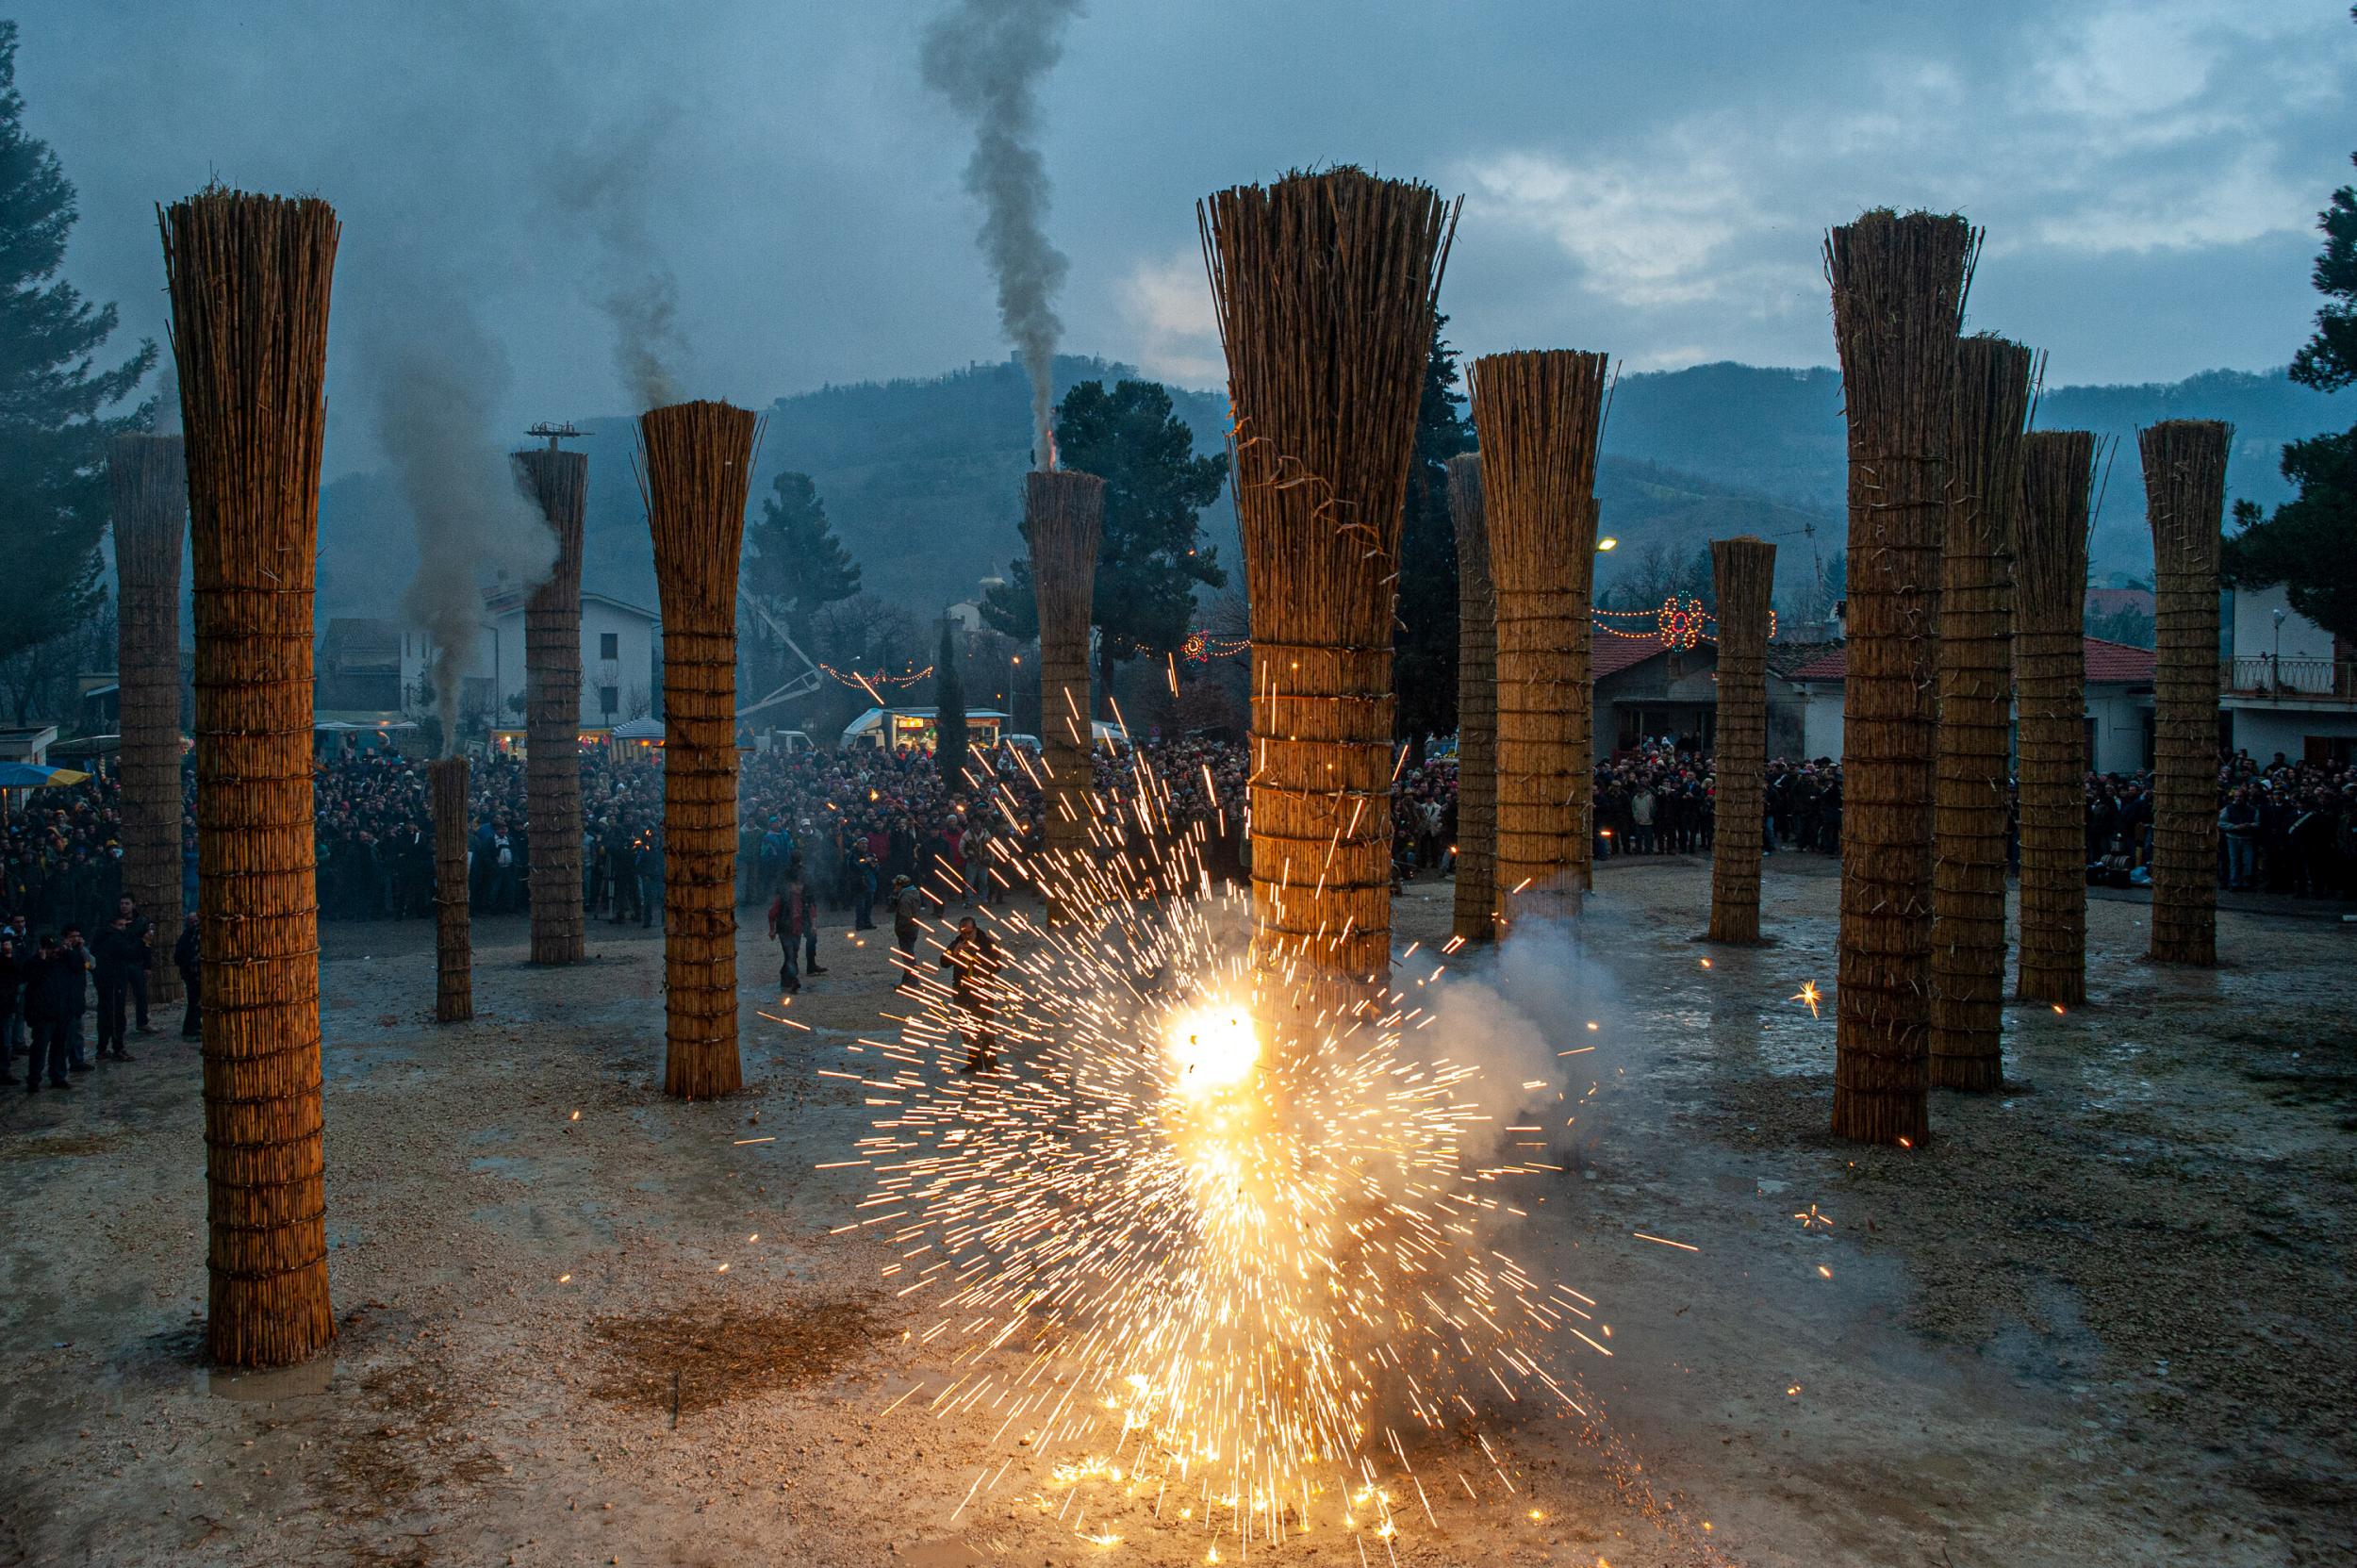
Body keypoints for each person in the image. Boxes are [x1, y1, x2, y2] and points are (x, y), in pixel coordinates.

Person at [938, 915, 1001, 1071]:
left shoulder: (987, 943)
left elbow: (997, 966)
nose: (966, 936)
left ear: (975, 930)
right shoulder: (957, 942)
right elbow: (943, 963)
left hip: (983, 992)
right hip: (963, 993)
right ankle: (975, 1063)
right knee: (968, 1030)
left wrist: (977, 955)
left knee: (986, 1031)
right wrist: (954, 953)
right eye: (963, 933)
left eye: (969, 933)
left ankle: (992, 1066)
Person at [91, 907, 141, 1061]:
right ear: (113, 925)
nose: (123, 928)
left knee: (106, 1014)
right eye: (121, 925)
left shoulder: (102, 938)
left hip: (106, 980)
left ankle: (103, 1047)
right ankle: (117, 1048)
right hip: (113, 981)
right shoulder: (115, 939)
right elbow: (130, 953)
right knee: (115, 1015)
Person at [113, 895, 156, 1034]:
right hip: (120, 962)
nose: (124, 906)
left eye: (127, 903)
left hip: (136, 962)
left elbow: (147, 945)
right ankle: (119, 1024)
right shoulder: (115, 921)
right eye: (122, 903)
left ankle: (142, 1022)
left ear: (133, 905)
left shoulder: (142, 922)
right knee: (120, 995)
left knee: (141, 994)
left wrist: (148, 966)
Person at [766, 862, 808, 994]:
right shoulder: (783, 899)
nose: (800, 887)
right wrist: (772, 930)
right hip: (785, 930)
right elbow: (772, 914)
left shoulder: (803, 898)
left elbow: (807, 913)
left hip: (797, 930)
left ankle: (785, 979)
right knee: (790, 955)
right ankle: (792, 980)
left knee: (793, 955)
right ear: (791, 886)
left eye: (801, 885)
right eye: (797, 885)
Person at [890, 873, 924, 991]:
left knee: (908, 957)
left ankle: (912, 981)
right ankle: (907, 980)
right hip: (913, 928)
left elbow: (905, 917)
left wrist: (899, 929)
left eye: (896, 885)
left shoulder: (905, 898)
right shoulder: (913, 893)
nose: (895, 888)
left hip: (906, 930)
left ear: (901, 886)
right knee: (908, 955)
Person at [173, 912, 201, 1039]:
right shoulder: (190, 935)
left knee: (196, 1000)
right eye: (192, 921)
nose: (194, 924)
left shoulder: (192, 934)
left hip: (191, 972)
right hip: (191, 972)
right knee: (194, 1001)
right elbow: (186, 957)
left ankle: (194, 1026)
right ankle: (191, 1028)